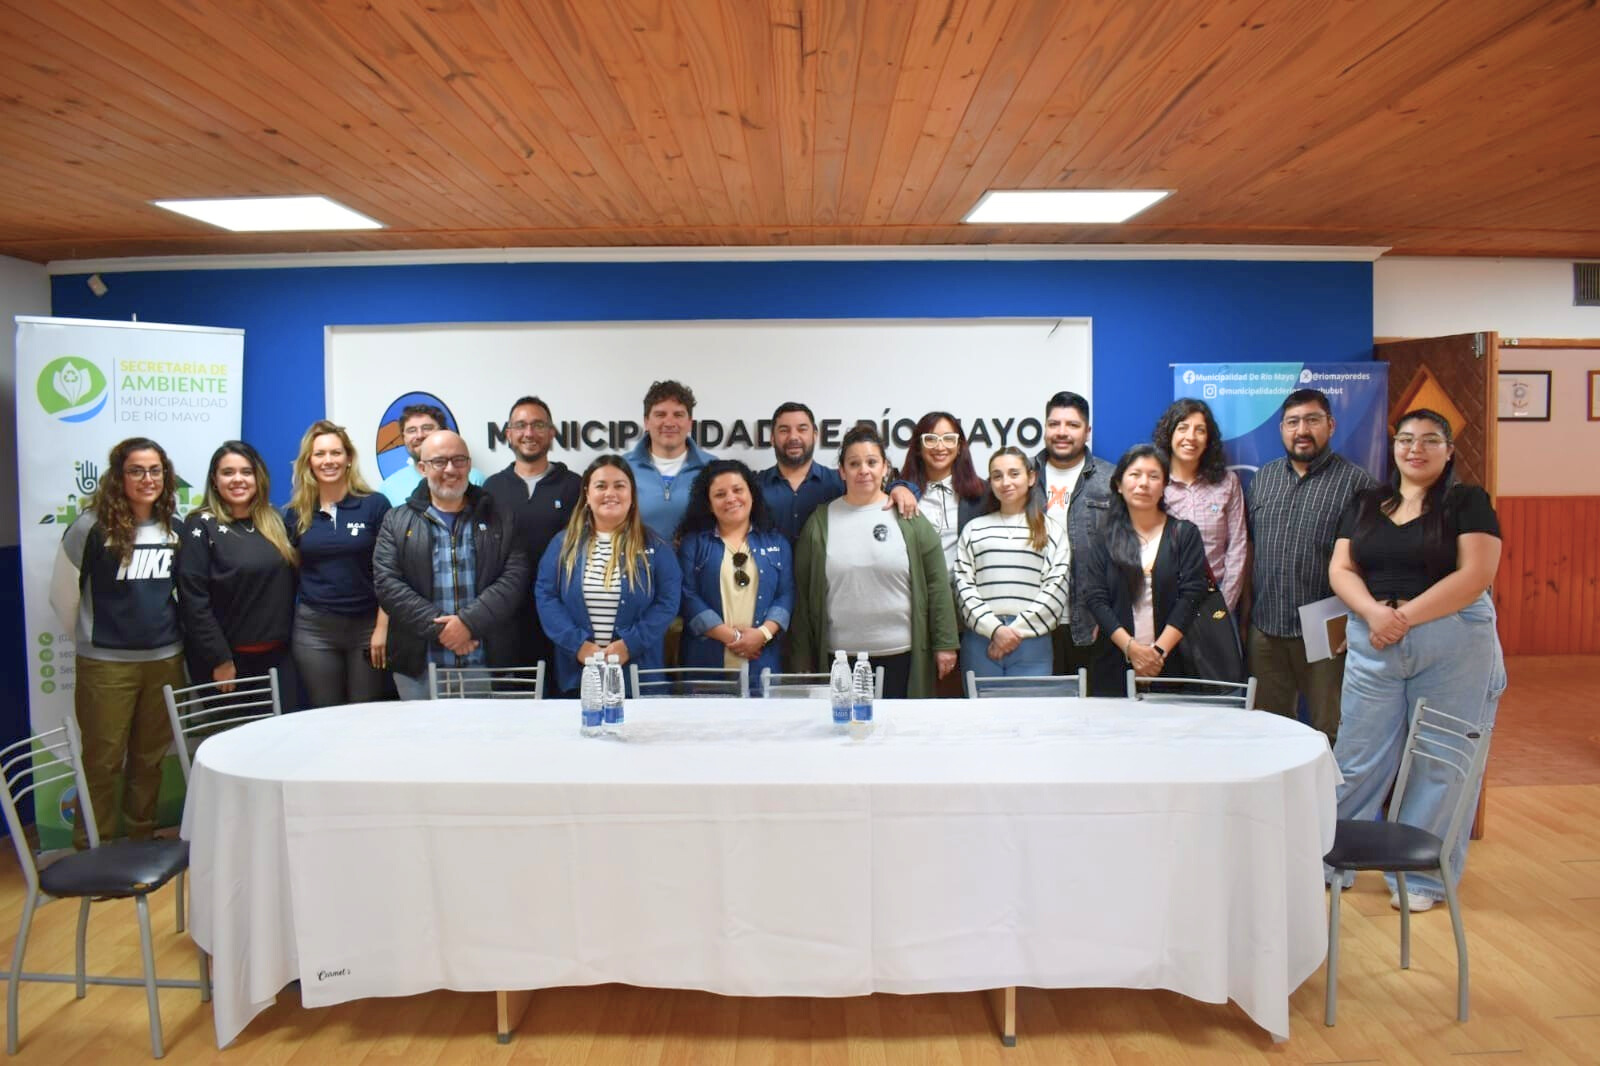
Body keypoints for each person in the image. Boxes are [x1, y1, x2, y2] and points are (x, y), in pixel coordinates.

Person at [1327, 409, 1506, 912]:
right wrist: (1372, 613)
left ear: (1449, 451)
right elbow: (1341, 568)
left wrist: (1403, 618)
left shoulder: (1466, 501)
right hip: (1374, 636)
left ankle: (1420, 879)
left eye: (1430, 440)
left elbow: (1476, 574)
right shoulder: (1366, 502)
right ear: (1394, 448)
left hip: (1452, 639)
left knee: (1440, 759)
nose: (1416, 448)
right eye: (1406, 439)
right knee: (1357, 755)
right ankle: (1335, 860)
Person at [47, 437, 186, 848]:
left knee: (150, 758)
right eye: (136, 471)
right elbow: (63, 597)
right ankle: (94, 849)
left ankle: (141, 841)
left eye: (155, 470)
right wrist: (94, 639)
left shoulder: (174, 527)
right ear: (118, 476)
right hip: (106, 666)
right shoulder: (90, 527)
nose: (147, 479)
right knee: (102, 761)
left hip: (164, 659)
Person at [791, 424, 958, 698]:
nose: (863, 470)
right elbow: (802, 597)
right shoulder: (820, 522)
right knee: (845, 725)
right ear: (842, 471)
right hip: (840, 660)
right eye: (854, 464)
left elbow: (937, 584)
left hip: (903, 655)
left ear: (885, 468)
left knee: (901, 726)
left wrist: (945, 643)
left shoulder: (910, 518)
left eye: (871, 462)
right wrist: (801, 659)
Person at [1246, 388, 1376, 740]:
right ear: (1281, 429)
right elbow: (1251, 550)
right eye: (1293, 422)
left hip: (1327, 625)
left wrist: (1358, 619)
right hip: (1266, 627)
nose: (1302, 430)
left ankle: (1329, 782)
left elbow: (1374, 560)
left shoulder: (1358, 484)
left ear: (1330, 425)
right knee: (1268, 730)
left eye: (1312, 420)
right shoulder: (1263, 478)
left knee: (1329, 729)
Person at [373, 430, 529, 701]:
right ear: (422, 468)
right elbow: (387, 583)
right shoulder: (396, 520)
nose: (450, 469)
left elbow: (514, 579)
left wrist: (467, 623)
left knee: (485, 730)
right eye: (439, 462)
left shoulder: (501, 517)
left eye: (458, 460)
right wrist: (443, 630)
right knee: (421, 731)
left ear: (469, 465)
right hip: (419, 667)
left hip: (486, 662)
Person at [536, 455, 683, 696]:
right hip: (578, 676)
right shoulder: (563, 544)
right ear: (587, 494)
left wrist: (630, 645)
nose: (610, 493)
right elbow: (546, 597)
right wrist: (578, 645)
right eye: (601, 486)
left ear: (632, 494)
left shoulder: (657, 547)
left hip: (638, 676)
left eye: (619, 486)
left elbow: (667, 602)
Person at [177, 441, 300, 707]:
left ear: (258, 477)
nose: (238, 479)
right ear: (214, 479)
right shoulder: (201, 526)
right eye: (228, 472)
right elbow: (193, 600)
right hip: (228, 665)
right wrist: (219, 658)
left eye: (246, 472)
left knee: (285, 731)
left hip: (279, 660)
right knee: (235, 734)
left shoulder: (275, 521)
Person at [1080, 445, 1209, 689]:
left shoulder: (1184, 534)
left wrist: (1157, 652)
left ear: (1164, 486)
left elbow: (1192, 596)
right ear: (1119, 484)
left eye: (1153, 476)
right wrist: (1131, 649)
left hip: (1172, 662)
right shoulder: (1105, 536)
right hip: (1113, 663)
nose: (1143, 483)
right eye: (1135, 474)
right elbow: (1095, 597)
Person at [285, 420, 392, 708]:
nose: (328, 460)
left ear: (348, 458)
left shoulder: (375, 505)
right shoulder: (297, 513)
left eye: (335, 452)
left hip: (367, 627)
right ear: (309, 461)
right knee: (326, 714)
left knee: (365, 712)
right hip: (315, 630)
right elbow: (293, 570)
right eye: (320, 454)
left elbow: (390, 572)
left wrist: (383, 627)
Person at [482, 395, 583, 681]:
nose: (529, 433)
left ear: (551, 433)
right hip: (507, 619)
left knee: (561, 697)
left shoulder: (575, 486)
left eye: (538, 425)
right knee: (512, 699)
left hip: (562, 617)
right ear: (508, 433)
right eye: (521, 425)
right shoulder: (492, 488)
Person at [953, 447, 1071, 681]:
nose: (1005, 482)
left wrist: (1012, 633)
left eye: (1014, 474)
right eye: (997, 476)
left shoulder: (1052, 530)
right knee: (981, 707)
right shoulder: (974, 530)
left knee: (1029, 707)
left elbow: (1056, 588)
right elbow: (963, 586)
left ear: (1031, 478)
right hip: (981, 640)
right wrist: (995, 631)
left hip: (1032, 641)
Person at [675, 460, 794, 681]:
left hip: (762, 659)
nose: (731, 499)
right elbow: (687, 596)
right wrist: (734, 638)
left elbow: (785, 595)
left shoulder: (777, 542)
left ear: (752, 494)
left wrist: (762, 634)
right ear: (709, 504)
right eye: (720, 494)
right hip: (705, 661)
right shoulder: (693, 544)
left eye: (738, 490)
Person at [1030, 391, 1115, 692]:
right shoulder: (1021, 476)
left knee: (1091, 712)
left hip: (1091, 623)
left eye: (1072, 425)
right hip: (1033, 622)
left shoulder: (1111, 479)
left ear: (1087, 431)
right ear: (1045, 427)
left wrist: (1110, 616)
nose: (1062, 432)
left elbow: (1124, 554)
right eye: (1054, 424)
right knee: (1037, 712)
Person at [757, 401, 917, 542]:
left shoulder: (841, 481)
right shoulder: (755, 486)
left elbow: (877, 493)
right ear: (772, 438)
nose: (793, 437)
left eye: (802, 429)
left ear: (815, 435)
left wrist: (900, 488)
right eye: (784, 430)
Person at [1152, 398, 1247, 612]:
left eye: (1200, 430)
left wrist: (1224, 606)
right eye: (1183, 428)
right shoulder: (1154, 481)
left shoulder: (1227, 483)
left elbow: (1238, 546)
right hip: (1165, 600)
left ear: (1208, 439)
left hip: (1215, 597)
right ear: (1169, 434)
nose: (1191, 437)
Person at [626, 380, 717, 540]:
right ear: (646, 422)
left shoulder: (713, 468)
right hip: (637, 556)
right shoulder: (622, 468)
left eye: (678, 415)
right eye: (660, 415)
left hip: (696, 557)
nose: (669, 423)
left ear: (690, 423)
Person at [899, 411, 987, 573]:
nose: (940, 447)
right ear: (918, 447)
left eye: (948, 439)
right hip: (915, 587)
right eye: (930, 439)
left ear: (959, 446)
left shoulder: (983, 493)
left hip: (965, 586)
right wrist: (896, 488)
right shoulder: (902, 492)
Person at [378, 402, 483, 506]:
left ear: (444, 432)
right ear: (403, 438)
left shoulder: (474, 478)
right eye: (411, 430)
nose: (419, 435)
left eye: (427, 428)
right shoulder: (389, 487)